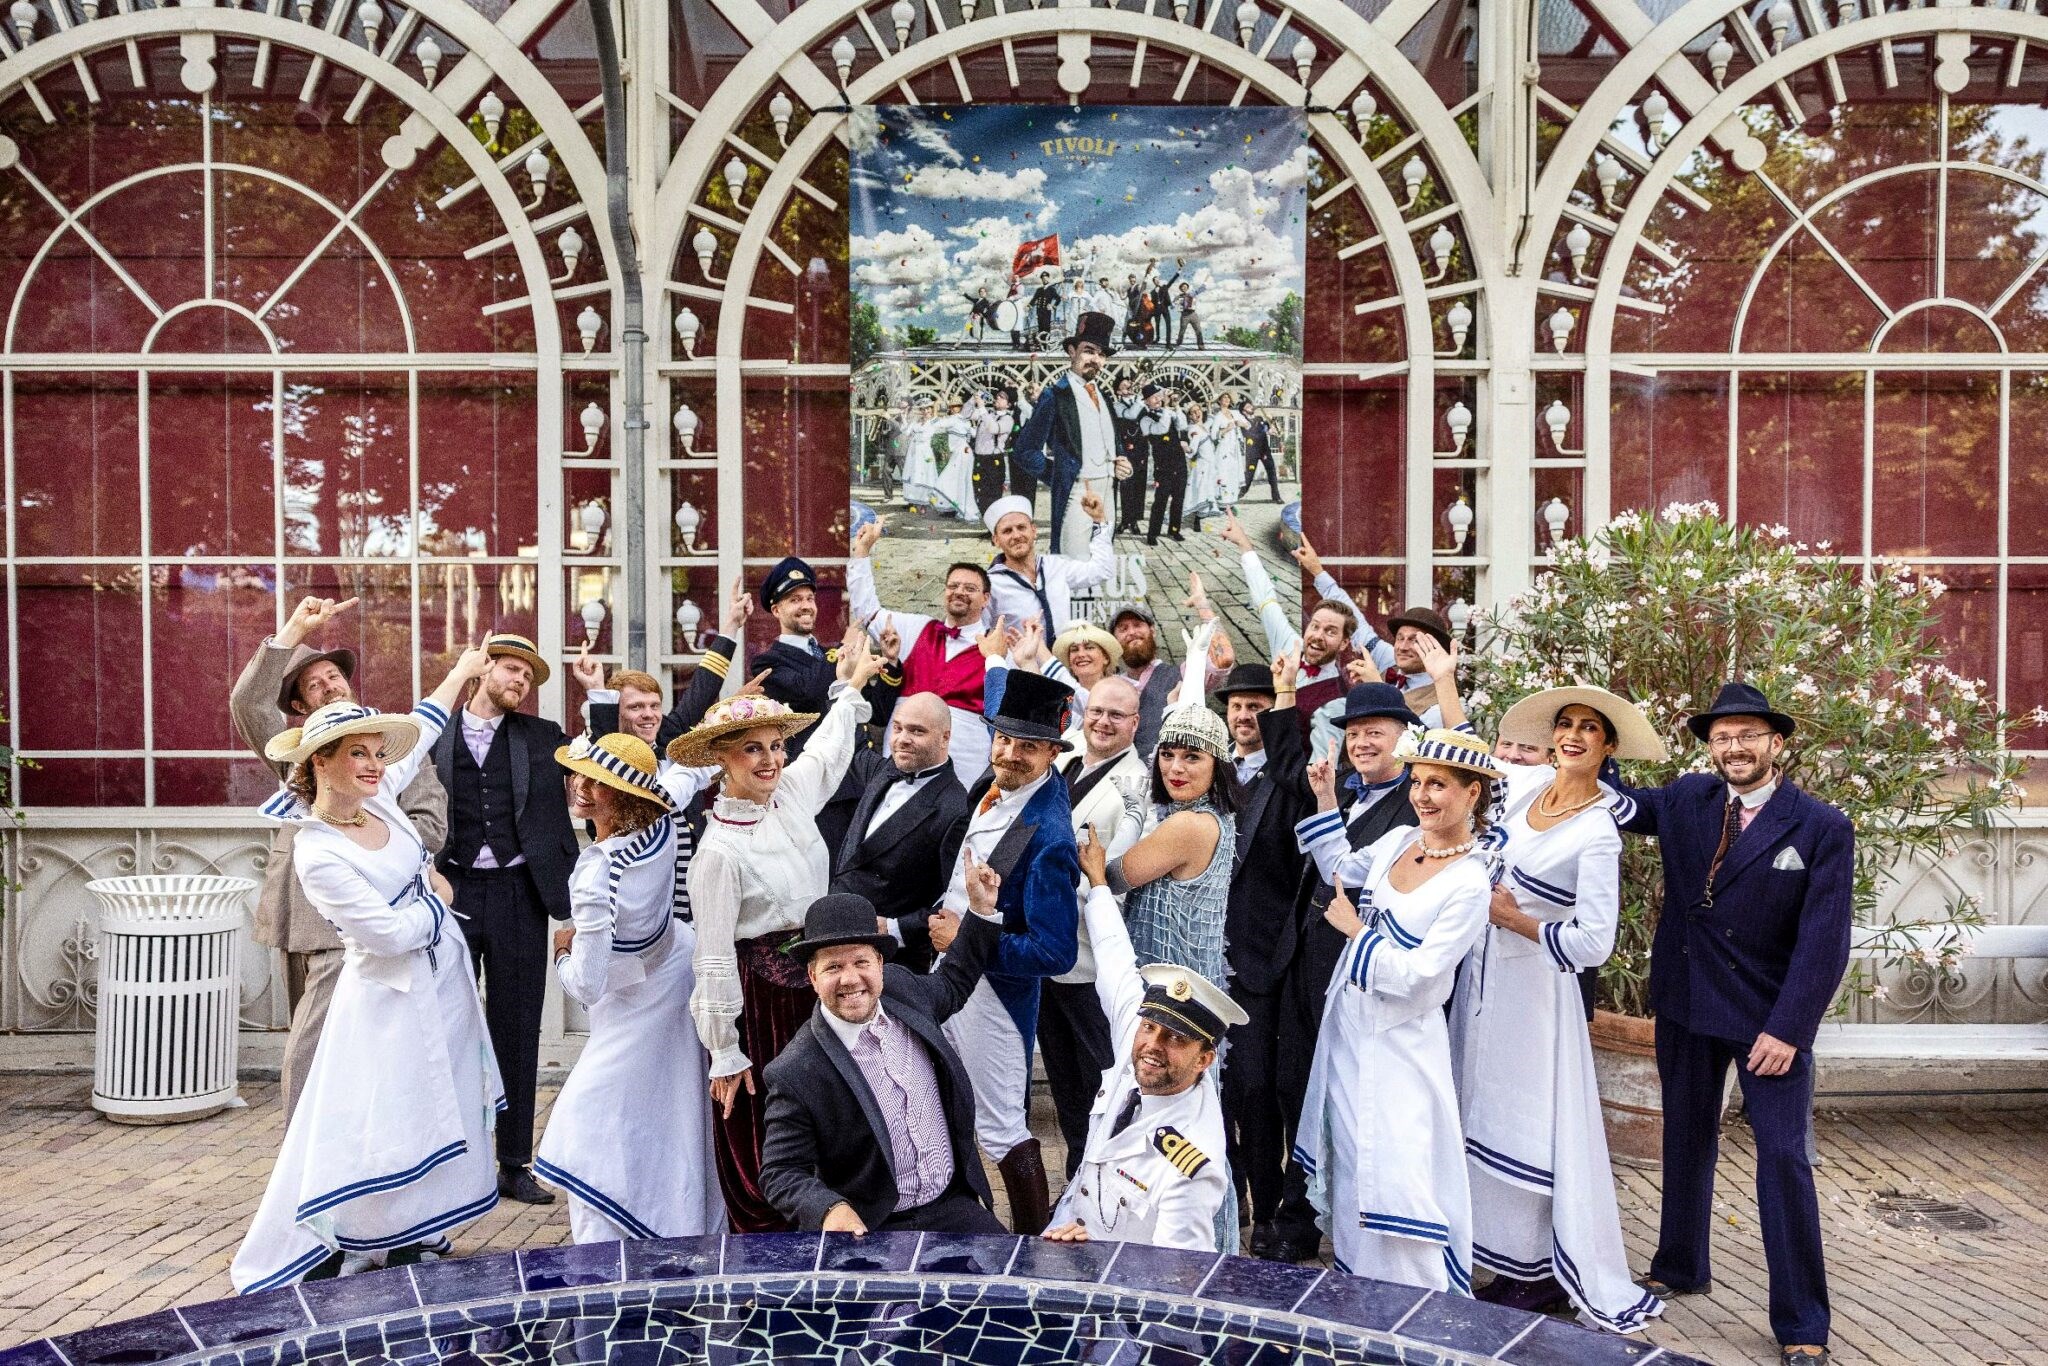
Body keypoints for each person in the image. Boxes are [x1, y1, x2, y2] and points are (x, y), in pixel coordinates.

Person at [232, 646, 501, 1291]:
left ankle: (418, 1231)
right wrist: (436, 900)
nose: (375, 764)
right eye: (359, 753)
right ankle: (350, 1236)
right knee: (385, 1116)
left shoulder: (377, 800)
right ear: (319, 761)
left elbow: (425, 724)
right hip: (383, 1001)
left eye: (378, 752)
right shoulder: (318, 851)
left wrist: (462, 672)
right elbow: (385, 936)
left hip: (442, 984)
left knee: (439, 1103)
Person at [1607, 683, 1852, 1366]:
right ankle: (1680, 1264)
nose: (1734, 747)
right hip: (1687, 1002)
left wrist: (1790, 1029)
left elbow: (1825, 942)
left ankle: (1802, 1321)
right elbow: (1617, 802)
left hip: (1767, 1018)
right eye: (1722, 737)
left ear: (1777, 743)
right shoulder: (1689, 799)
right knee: (1684, 1137)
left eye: (1747, 735)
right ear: (1710, 747)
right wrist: (1593, 733)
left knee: (1783, 1158)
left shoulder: (1820, 827)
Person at [1450, 685, 1668, 1332]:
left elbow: (1594, 941)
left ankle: (1540, 1272)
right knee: (1481, 1110)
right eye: (1565, 724)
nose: (1573, 735)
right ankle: (1501, 1256)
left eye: (1589, 729)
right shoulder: (1527, 792)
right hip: (1483, 982)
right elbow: (1470, 760)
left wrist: (1516, 921)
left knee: (1528, 1124)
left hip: (1538, 1000)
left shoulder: (1598, 831)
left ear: (1608, 746)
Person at [667, 634, 885, 1232]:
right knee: (773, 1132)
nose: (770, 760)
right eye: (751, 750)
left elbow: (828, 754)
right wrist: (725, 1051)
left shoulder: (787, 795)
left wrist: (852, 687)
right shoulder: (717, 852)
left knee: (833, 1123)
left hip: (820, 989)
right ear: (722, 758)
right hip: (763, 1006)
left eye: (775, 746)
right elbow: (713, 959)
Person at [1296, 727, 1501, 1292]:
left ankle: (1419, 1299)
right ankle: (1360, 1289)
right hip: (1349, 1028)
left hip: (1404, 1042)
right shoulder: (1398, 841)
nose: (1422, 796)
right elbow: (1340, 865)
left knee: (1399, 1169)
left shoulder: (1470, 882)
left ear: (1473, 793)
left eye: (1438, 785)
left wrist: (1356, 932)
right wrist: (1325, 798)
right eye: (1417, 782)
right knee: (1354, 1162)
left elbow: (1424, 975)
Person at [229, 595, 447, 1121]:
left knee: (379, 1046)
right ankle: (303, 1146)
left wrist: (377, 860)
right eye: (314, 685)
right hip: (311, 917)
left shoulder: (394, 744)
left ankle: (363, 1145)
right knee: (315, 1036)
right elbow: (248, 705)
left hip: (386, 911)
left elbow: (430, 822)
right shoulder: (297, 751)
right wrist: (291, 632)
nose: (328, 685)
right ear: (300, 708)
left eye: (333, 676)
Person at [534, 733, 723, 1242]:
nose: (581, 787)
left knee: (593, 1110)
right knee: (672, 1107)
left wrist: (562, 952)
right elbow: (689, 773)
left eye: (596, 783)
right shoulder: (663, 818)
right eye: (581, 776)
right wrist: (719, 734)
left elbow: (587, 984)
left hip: (635, 998)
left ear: (624, 796)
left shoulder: (596, 873)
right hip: (675, 972)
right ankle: (675, 1220)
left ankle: (610, 1230)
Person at [1268, 681, 1421, 1262]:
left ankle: (1306, 1221)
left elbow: (1346, 870)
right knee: (1293, 1084)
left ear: (1404, 739)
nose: (1361, 742)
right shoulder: (1343, 787)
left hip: (1355, 964)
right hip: (1305, 953)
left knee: (1336, 1091)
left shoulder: (1413, 806)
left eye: (1374, 732)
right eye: (1353, 733)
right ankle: (1299, 1210)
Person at [760, 885, 1011, 1236]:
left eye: (861, 962)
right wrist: (829, 1209)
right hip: (874, 1226)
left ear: (880, 964)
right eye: (833, 967)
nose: (850, 979)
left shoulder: (904, 991)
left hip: (952, 1206)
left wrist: (981, 912)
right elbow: (781, 1172)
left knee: (1009, 1269)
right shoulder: (795, 1071)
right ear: (813, 977)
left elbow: (954, 981)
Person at [429, 632, 576, 1206]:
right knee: (449, 1027)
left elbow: (602, 761)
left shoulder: (542, 737)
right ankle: (450, 1162)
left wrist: (598, 698)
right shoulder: (433, 732)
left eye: (528, 676)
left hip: (520, 893)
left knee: (516, 1029)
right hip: (452, 892)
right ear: (481, 669)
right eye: (512, 669)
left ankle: (513, 1163)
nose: (521, 681)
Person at [934, 670, 1082, 1234]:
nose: (1010, 754)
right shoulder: (997, 786)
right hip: (954, 978)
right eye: (1003, 739)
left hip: (996, 998)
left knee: (1003, 1130)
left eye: (1028, 746)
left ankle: (1032, 1247)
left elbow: (1054, 952)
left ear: (1052, 752)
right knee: (949, 1106)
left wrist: (967, 941)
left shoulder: (1050, 837)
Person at [1053, 828, 1246, 1252]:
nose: (1153, 1045)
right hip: (1070, 1222)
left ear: (1204, 1060)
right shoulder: (1138, 1042)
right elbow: (1115, 960)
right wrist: (1098, 884)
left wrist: (1093, 1249)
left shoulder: (1192, 1165)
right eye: (1151, 1027)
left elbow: (1175, 1275)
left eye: (1176, 1038)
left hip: (1113, 1273)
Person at [1211, 654, 1314, 1259]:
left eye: (1257, 707)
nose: (1245, 715)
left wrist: (1286, 697)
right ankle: (1230, 1198)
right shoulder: (1211, 770)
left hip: (1263, 960)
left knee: (1257, 1091)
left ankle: (1270, 1209)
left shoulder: (1288, 779)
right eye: (1237, 706)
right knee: (1216, 1092)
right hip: (1206, 953)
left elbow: (1294, 766)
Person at [1038, 674, 1149, 1175]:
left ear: (1135, 723)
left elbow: (1116, 876)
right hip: (1045, 953)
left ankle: (1103, 1181)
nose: (1103, 722)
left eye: (1116, 715)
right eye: (1097, 711)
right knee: (1063, 1083)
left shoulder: (1137, 784)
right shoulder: (1066, 760)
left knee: (1099, 1082)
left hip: (1089, 960)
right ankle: (1075, 1183)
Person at [827, 692, 970, 974]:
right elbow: (851, 745)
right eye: (898, 728)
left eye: (917, 731)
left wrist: (894, 928)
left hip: (891, 961)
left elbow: (955, 901)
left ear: (945, 737)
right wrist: (847, 684)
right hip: (835, 931)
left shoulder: (956, 808)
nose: (902, 739)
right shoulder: (885, 770)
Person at [850, 519, 1000, 787]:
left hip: (965, 762)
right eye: (953, 586)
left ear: (985, 599)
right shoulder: (914, 627)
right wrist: (862, 552)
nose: (959, 592)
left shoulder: (996, 647)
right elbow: (867, 611)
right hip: (904, 754)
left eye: (970, 588)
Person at [1011, 310, 1120, 556]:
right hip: (1078, 491)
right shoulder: (1055, 396)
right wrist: (1060, 475)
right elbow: (1025, 451)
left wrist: (1121, 461)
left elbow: (1113, 442)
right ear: (1072, 351)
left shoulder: (1104, 396)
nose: (1096, 360)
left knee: (1101, 557)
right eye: (1089, 351)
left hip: (1108, 491)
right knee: (1073, 561)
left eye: (1102, 354)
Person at [983, 490, 1114, 637]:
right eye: (1007, 531)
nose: (1016, 535)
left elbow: (1101, 570)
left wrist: (1099, 519)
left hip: (1061, 651)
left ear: (1034, 531)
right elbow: (979, 631)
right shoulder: (991, 584)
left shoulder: (1056, 565)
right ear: (996, 540)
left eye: (1021, 527)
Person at [1110, 603, 1178, 755]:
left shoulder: (1181, 674)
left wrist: (1202, 605)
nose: (1131, 632)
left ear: (1152, 631)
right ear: (1115, 641)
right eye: (1123, 629)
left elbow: (1223, 661)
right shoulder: (1110, 686)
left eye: (1137, 625)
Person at [1141, 383, 1190, 546]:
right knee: (1160, 500)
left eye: (1158, 396)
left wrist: (1176, 406)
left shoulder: (1167, 412)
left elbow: (1183, 425)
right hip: (1163, 465)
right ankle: (1152, 533)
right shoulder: (1145, 419)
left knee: (1178, 499)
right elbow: (1161, 428)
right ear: (1146, 401)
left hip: (1179, 461)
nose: (1157, 399)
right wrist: (1168, 408)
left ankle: (1174, 530)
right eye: (1153, 397)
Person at [1111, 377, 1149, 535]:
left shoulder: (1141, 403)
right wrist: (1141, 398)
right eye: (1124, 386)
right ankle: (1125, 520)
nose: (1129, 387)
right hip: (1125, 450)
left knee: (1139, 485)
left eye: (1130, 384)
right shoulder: (1117, 406)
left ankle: (1134, 520)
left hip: (1141, 448)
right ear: (1118, 392)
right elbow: (1131, 415)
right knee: (1126, 486)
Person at [970, 391, 1014, 514]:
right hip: (979, 458)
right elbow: (966, 414)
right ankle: (985, 521)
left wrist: (982, 407)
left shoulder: (1008, 419)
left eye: (1002, 397)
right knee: (979, 492)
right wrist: (973, 399)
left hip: (994, 460)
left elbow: (993, 428)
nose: (997, 398)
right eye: (997, 396)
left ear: (1008, 404)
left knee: (993, 495)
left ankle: (993, 522)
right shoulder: (987, 413)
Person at [1240, 405, 1281, 503]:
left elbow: (1274, 430)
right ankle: (1241, 493)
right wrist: (1265, 431)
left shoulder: (1260, 419)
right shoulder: (1243, 422)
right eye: (1248, 406)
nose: (1251, 407)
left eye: (1251, 405)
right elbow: (1250, 434)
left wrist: (1271, 420)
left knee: (1271, 471)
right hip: (1252, 452)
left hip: (1264, 450)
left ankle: (1276, 496)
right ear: (1243, 411)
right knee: (1249, 474)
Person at [1176, 281, 1203, 348]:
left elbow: (1199, 291)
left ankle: (1201, 345)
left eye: (1185, 287)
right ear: (1180, 289)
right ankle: (1179, 342)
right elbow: (1178, 307)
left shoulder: (1192, 294)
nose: (1184, 288)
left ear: (1187, 288)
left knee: (1198, 330)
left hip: (1193, 314)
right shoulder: (1179, 297)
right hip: (1184, 315)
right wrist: (1180, 306)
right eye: (1182, 287)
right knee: (1182, 331)